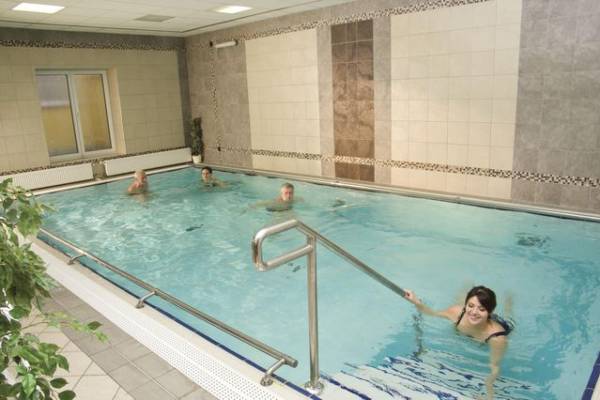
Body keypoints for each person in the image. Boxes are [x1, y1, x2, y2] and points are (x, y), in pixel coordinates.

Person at [403, 286, 513, 400]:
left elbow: (494, 368)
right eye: (470, 305)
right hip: (477, 322)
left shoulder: (497, 338)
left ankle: (509, 303)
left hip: (501, 325)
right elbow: (432, 313)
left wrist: (489, 397)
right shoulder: (457, 313)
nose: (474, 312)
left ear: (490, 311)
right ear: (465, 305)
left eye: (481, 309)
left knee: (508, 316)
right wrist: (416, 302)